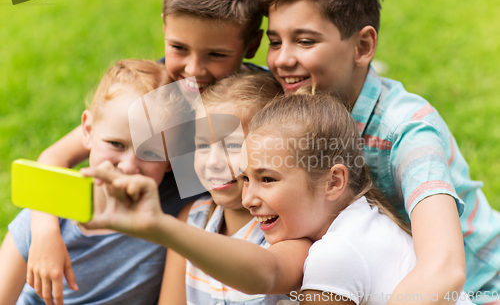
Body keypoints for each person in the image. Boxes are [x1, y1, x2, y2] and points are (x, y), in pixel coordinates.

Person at [79, 90, 473, 305]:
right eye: (247, 178)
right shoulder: (362, 221)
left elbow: (265, 273)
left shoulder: (335, 253)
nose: (249, 197)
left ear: (334, 181)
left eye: (267, 179)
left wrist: (158, 225)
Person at [259, 0, 500, 303]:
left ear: (363, 46)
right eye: (274, 42)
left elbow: (444, 269)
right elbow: (205, 86)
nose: (282, 59)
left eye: (305, 41)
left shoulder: (407, 130)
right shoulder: (290, 102)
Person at [26, 0, 266, 303]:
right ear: (165, 27)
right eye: (179, 48)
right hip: (143, 237)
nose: (194, 69)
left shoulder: (258, 102)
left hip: (218, 235)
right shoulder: (160, 93)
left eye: (217, 55)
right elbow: (54, 158)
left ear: (252, 44)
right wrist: (43, 233)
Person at [0, 59, 173, 305]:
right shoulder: (42, 220)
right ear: (88, 130)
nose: (128, 166)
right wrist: (43, 231)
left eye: (150, 152)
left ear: (170, 161)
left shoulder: (173, 228)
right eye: (116, 144)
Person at [158, 71, 294, 304]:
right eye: (202, 145)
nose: (213, 162)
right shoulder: (191, 221)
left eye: (232, 145)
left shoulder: (286, 234)